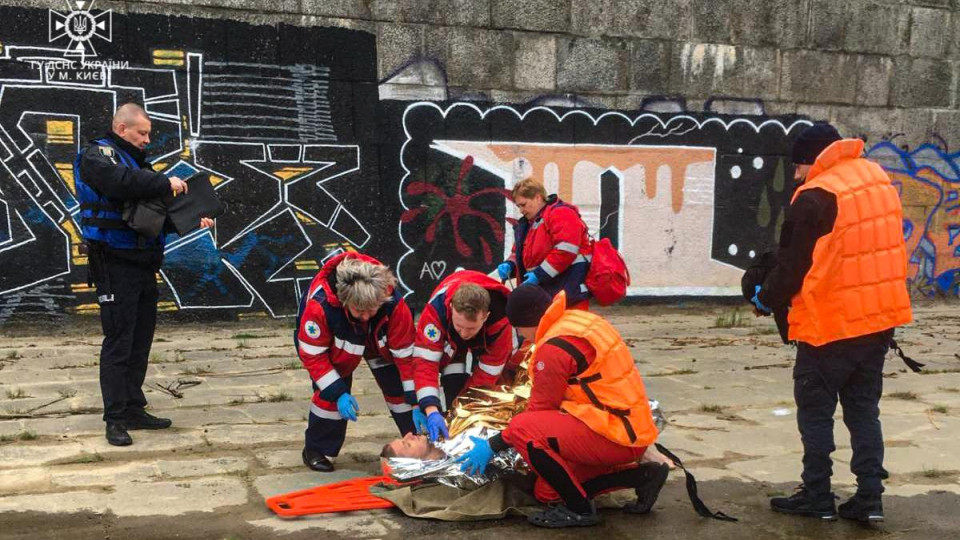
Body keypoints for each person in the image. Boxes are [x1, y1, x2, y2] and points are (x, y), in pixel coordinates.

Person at [751, 123, 913, 523]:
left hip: (830, 324)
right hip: (877, 323)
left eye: (798, 165)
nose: (795, 175)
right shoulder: (877, 180)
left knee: (816, 412)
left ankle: (817, 495)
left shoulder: (817, 195)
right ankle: (869, 498)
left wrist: (764, 298)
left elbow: (792, 266)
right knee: (863, 411)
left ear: (813, 159)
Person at [457, 285, 668, 528]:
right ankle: (642, 476)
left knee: (522, 427)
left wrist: (493, 445)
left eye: (518, 328)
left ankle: (579, 510)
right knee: (548, 493)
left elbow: (537, 413)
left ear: (527, 321)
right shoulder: (578, 321)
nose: (520, 334)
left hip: (613, 433)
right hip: (626, 428)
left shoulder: (554, 348)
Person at [75, 103, 213, 447]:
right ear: (122, 129)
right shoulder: (98, 156)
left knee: (140, 339)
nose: (147, 140)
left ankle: (134, 407)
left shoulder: (136, 162)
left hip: (142, 263)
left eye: (148, 134)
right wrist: (166, 182)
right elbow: (120, 184)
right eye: (142, 133)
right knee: (119, 340)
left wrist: (190, 220)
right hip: (114, 263)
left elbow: (147, 215)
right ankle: (115, 418)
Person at [295, 252, 418, 472]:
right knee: (329, 394)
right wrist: (338, 391)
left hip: (380, 341)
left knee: (400, 389)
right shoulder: (319, 306)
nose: (366, 316)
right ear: (345, 300)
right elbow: (314, 355)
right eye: (360, 311)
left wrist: (417, 401)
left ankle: (418, 441)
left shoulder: (393, 304)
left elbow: (406, 357)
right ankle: (316, 450)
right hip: (333, 343)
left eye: (372, 310)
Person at [412, 270, 517, 442]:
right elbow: (425, 362)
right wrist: (431, 409)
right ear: (452, 308)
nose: (464, 334)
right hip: (449, 340)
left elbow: (488, 373)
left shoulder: (501, 321)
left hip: (486, 340)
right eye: (459, 326)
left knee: (483, 395)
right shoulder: (436, 309)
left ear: (486, 316)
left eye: (470, 328)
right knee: (452, 378)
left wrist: (463, 410)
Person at [496, 179, 592, 306]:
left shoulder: (561, 213)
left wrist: (538, 275)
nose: (521, 210)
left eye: (523, 205)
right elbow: (519, 253)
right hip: (548, 294)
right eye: (518, 206)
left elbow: (566, 250)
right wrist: (510, 265)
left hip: (567, 295)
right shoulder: (528, 224)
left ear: (538, 197)